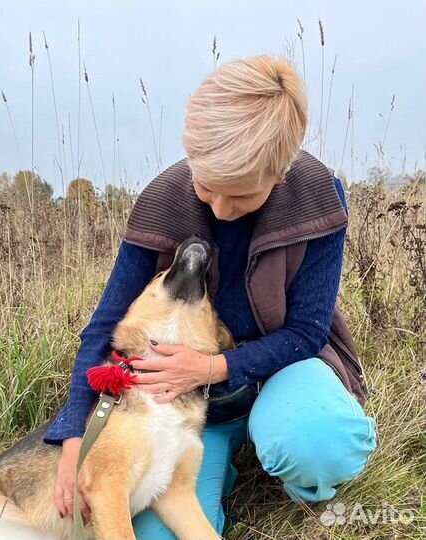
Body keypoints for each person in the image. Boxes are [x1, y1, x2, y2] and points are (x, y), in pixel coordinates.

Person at [43, 55, 378, 538]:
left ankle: (294, 467)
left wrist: (210, 368)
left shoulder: (317, 195)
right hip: (191, 410)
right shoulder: (162, 200)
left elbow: (307, 332)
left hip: (282, 375)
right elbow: (104, 325)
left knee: (316, 444)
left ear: (279, 177)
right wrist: (76, 433)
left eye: (240, 196)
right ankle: (222, 464)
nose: (219, 210)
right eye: (206, 186)